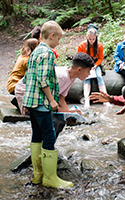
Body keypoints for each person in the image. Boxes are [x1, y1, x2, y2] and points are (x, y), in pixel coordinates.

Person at [22, 20, 74, 189]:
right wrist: (52, 100)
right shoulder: (47, 53)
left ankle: (38, 175)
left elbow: (29, 77)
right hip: (41, 102)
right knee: (49, 137)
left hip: (31, 101)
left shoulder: (36, 51)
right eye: (58, 39)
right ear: (52, 36)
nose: (59, 42)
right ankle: (50, 178)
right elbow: (43, 79)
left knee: (37, 136)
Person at [15, 52, 94, 128]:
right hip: (25, 90)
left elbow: (61, 98)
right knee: (47, 118)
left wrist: (69, 116)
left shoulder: (72, 78)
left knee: (58, 120)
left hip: (43, 95)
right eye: (88, 71)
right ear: (79, 70)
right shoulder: (61, 77)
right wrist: (69, 112)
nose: (89, 74)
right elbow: (49, 103)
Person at [77, 26, 111, 108]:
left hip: (95, 65)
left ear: (96, 38)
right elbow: (79, 57)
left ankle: (105, 99)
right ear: (87, 38)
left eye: (93, 39)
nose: (91, 41)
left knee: (99, 76)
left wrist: (95, 66)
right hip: (85, 65)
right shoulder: (82, 45)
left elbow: (100, 58)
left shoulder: (99, 46)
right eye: (89, 39)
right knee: (87, 78)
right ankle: (86, 100)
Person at [6, 38, 39, 109]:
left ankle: (20, 100)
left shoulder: (23, 57)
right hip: (15, 85)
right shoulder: (28, 60)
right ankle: (19, 102)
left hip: (11, 84)